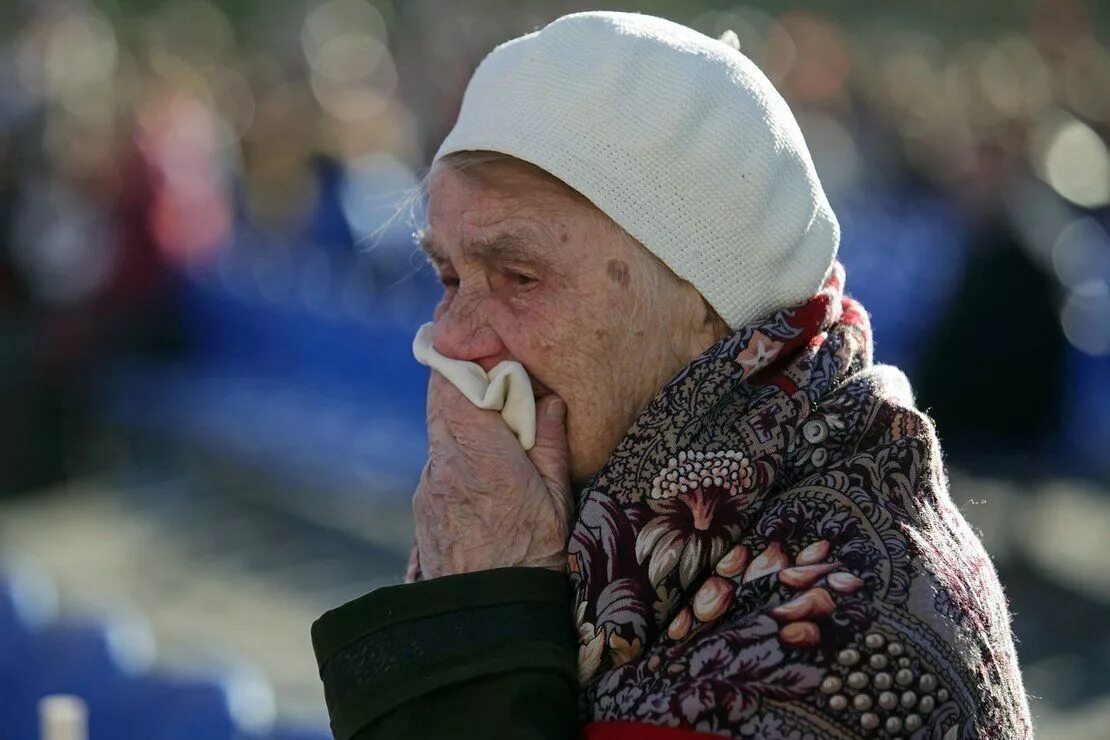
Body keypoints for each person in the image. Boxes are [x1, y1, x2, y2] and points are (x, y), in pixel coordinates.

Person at [310, 12, 1031, 739]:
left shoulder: (832, 632)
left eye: (519, 277)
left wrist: (484, 617)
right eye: (446, 275)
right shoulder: (603, 529)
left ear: (707, 307)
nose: (453, 339)